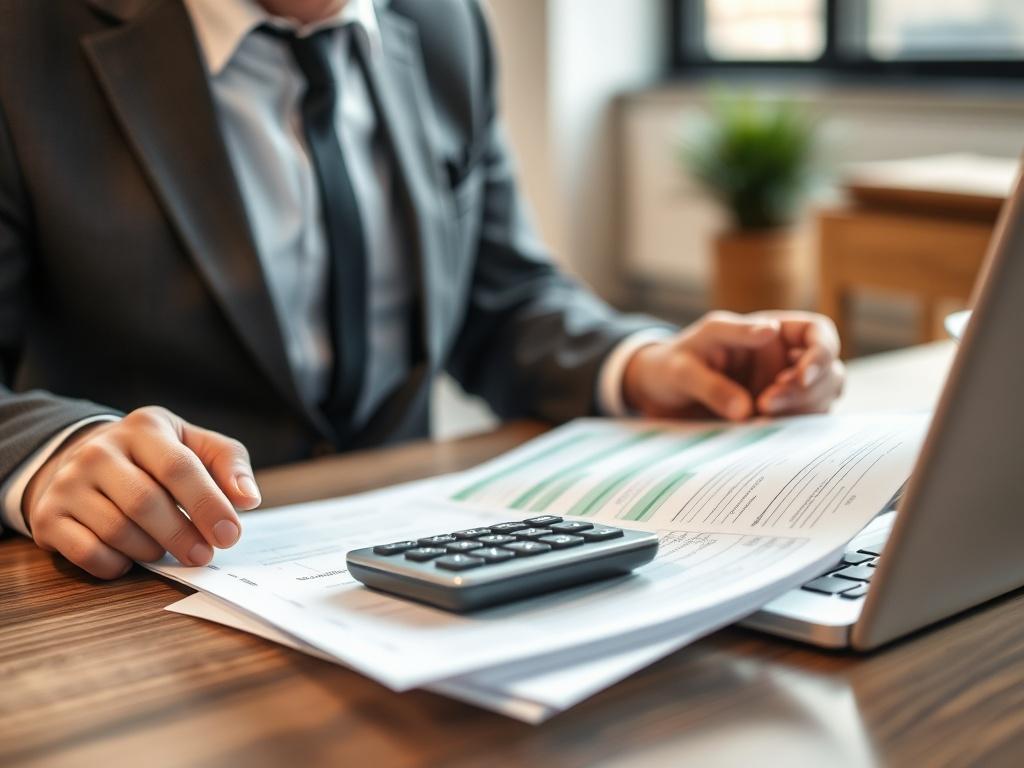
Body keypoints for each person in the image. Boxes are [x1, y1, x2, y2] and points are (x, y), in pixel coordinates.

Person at [0, 0, 844, 579]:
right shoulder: (25, 37)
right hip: (147, 586)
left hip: (409, 574)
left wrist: (642, 362)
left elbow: (500, 295)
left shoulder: (445, 25)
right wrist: (50, 453)